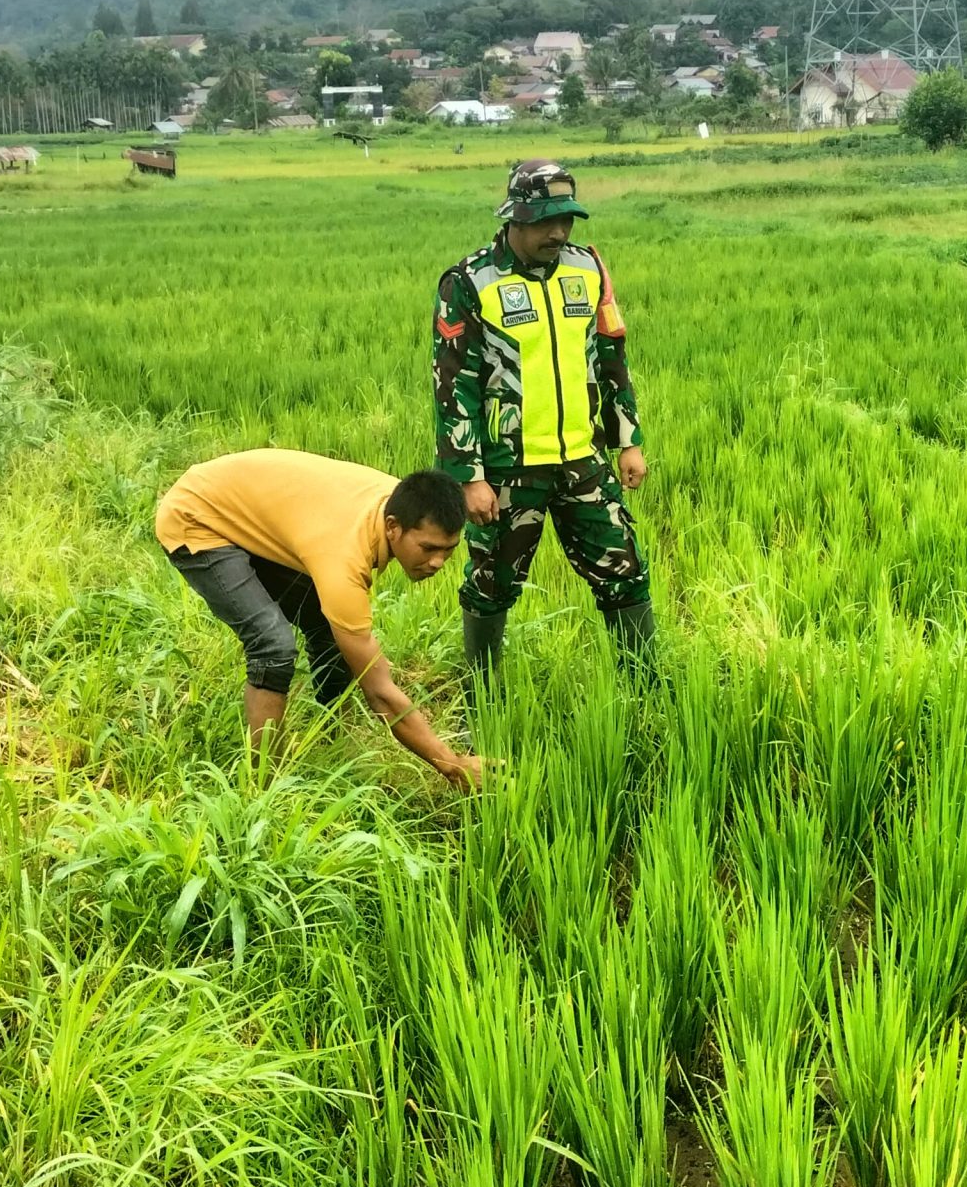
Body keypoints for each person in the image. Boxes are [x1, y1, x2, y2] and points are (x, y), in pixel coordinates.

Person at [433, 160, 654, 677]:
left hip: (583, 458)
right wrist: (469, 476)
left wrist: (628, 440)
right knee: (493, 585)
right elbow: (452, 385)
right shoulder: (469, 281)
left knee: (624, 571)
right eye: (544, 221)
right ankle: (484, 698)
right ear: (514, 217)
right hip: (508, 467)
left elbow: (611, 356)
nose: (558, 232)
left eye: (567, 219)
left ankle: (647, 689)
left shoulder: (587, 268)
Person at [155, 449, 483, 785]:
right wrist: (451, 763)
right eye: (428, 548)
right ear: (392, 528)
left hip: (248, 509)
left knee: (333, 629)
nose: (437, 562)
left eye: (448, 549)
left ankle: (331, 736)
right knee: (273, 646)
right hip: (197, 516)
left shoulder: (402, 502)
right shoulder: (344, 556)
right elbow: (380, 692)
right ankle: (265, 787)